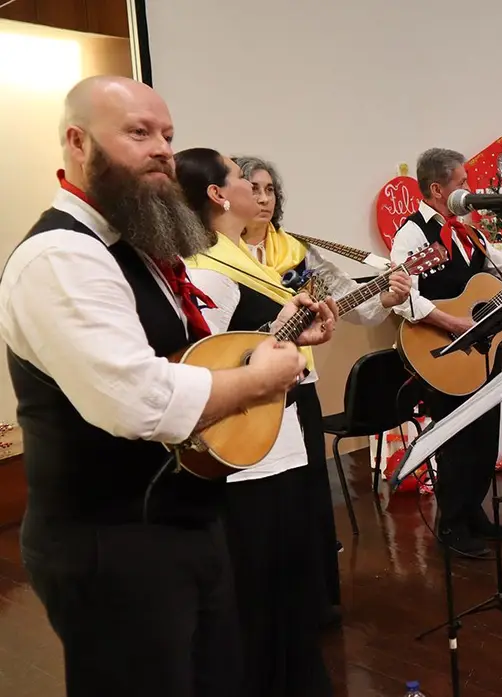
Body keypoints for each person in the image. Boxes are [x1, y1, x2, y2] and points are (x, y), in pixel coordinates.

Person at [0, 76, 334, 696]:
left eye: (168, 136)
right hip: (111, 544)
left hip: (178, 520)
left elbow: (193, 358)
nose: (162, 150)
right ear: (78, 142)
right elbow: (141, 400)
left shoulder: (136, 248)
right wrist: (264, 376)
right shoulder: (61, 259)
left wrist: (277, 346)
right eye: (138, 132)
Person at [177, 147, 338, 697]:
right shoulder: (206, 265)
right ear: (220, 196)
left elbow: (255, 341)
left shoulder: (236, 255)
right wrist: (279, 335)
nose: (255, 188)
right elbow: (205, 360)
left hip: (279, 436)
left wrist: (293, 331)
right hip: (248, 450)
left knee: (285, 583)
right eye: (240, 179)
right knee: (260, 590)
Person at [234, 154, 411, 626]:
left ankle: (316, 601)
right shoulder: (212, 254)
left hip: (299, 387)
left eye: (270, 189)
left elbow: (353, 305)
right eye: (252, 188)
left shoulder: (297, 250)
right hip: (243, 392)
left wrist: (387, 296)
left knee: (308, 495)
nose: (263, 198)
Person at [389, 147, 502, 557]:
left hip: (478, 355)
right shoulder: (412, 234)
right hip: (442, 354)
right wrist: (452, 324)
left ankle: (473, 512)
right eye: (462, 183)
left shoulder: (469, 232)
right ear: (437, 188)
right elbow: (401, 298)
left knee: (485, 436)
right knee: (458, 441)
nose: (470, 189)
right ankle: (450, 523)